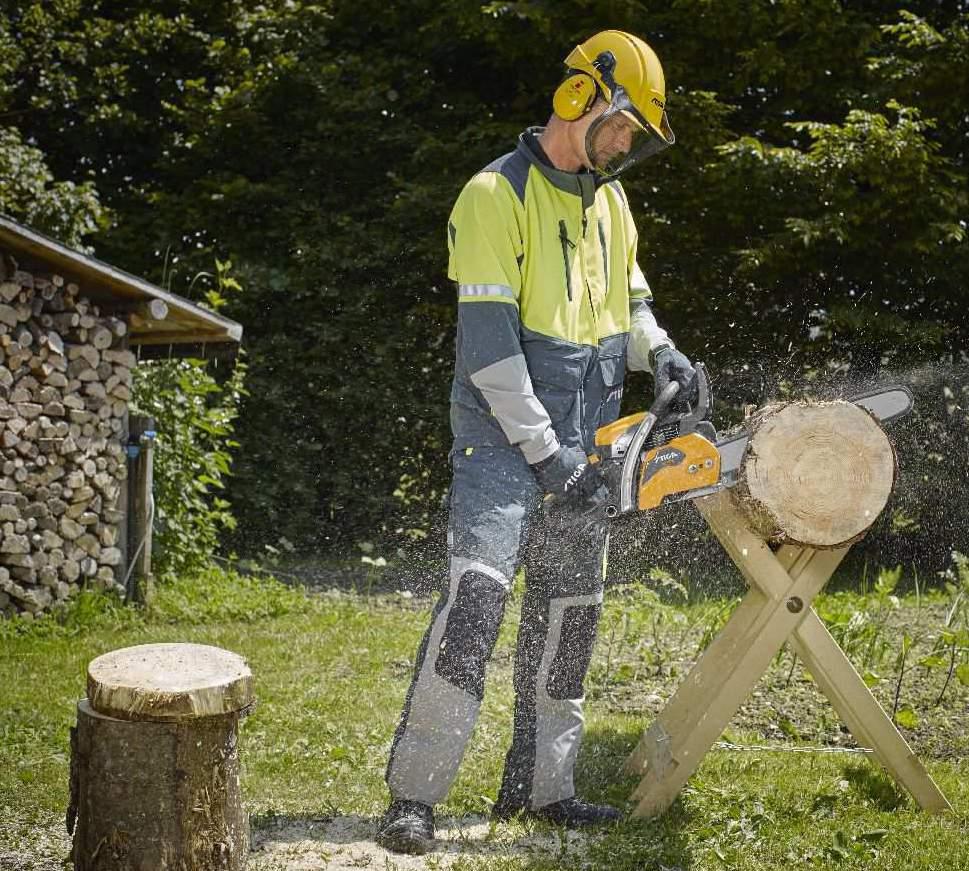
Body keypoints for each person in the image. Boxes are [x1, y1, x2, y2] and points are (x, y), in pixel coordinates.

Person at [376, 29, 697, 855]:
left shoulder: (610, 202)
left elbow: (630, 309)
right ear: (579, 98)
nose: (626, 146)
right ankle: (415, 792)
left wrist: (659, 351)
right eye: (624, 125)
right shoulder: (494, 194)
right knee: (476, 601)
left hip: (587, 441)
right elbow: (489, 353)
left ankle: (543, 786)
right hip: (502, 440)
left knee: (569, 613)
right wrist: (547, 457)